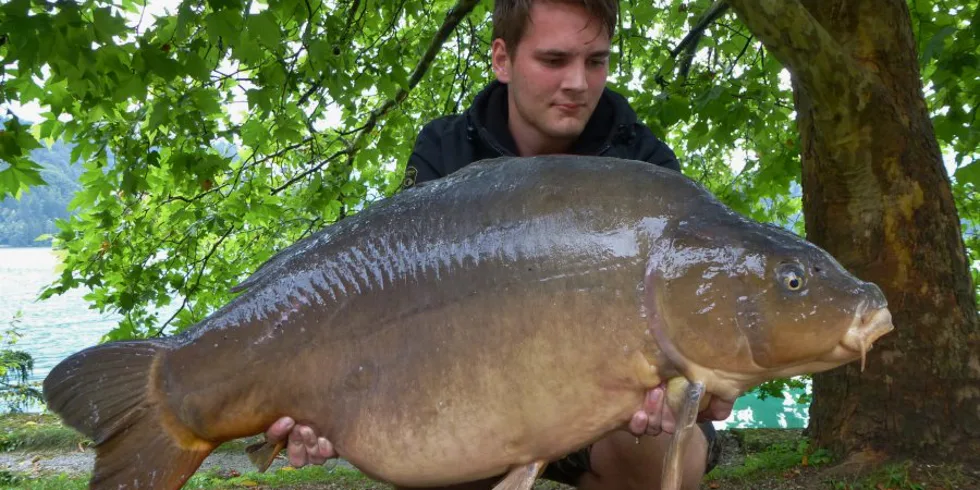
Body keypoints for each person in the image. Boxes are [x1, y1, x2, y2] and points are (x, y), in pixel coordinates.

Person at [264, 0, 734, 488]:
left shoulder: (642, 164)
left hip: (604, 410)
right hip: (482, 396)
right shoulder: (446, 150)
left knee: (663, 457)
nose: (578, 82)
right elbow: (390, 300)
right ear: (502, 59)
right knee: (422, 438)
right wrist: (326, 394)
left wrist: (709, 377)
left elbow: (696, 314)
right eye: (554, 60)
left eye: (596, 61)